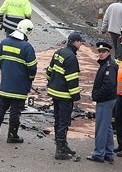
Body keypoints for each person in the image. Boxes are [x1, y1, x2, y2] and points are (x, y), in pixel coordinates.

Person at [0, 20, 37, 143]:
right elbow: (32, 68)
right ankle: (12, 135)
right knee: (15, 111)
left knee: (1, 108)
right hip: (20, 86)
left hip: (6, 83)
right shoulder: (27, 47)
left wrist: (7, 71)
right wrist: (29, 80)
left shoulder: (4, 42)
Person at [46, 32, 84, 160]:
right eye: (80, 42)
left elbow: (49, 71)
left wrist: (52, 83)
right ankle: (60, 150)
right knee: (64, 121)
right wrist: (76, 98)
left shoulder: (59, 52)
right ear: (75, 42)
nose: (81, 44)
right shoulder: (72, 58)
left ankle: (62, 144)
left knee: (58, 119)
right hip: (64, 95)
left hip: (54, 92)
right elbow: (72, 81)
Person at [87, 42, 118, 164]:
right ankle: (109, 153)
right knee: (108, 127)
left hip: (105, 100)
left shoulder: (109, 66)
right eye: (99, 52)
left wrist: (97, 96)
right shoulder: (107, 64)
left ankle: (99, 153)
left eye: (103, 52)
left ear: (108, 52)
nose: (101, 54)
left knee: (101, 127)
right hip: (108, 99)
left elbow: (108, 85)